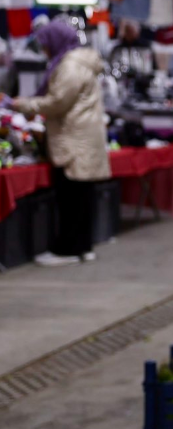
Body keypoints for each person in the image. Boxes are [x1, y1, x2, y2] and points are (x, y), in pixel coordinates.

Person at [10, 20, 110, 266]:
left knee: (71, 198)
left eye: (45, 44)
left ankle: (67, 249)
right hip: (82, 137)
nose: (43, 50)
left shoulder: (70, 66)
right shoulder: (78, 62)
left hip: (73, 139)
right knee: (81, 198)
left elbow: (57, 103)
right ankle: (83, 247)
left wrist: (23, 104)